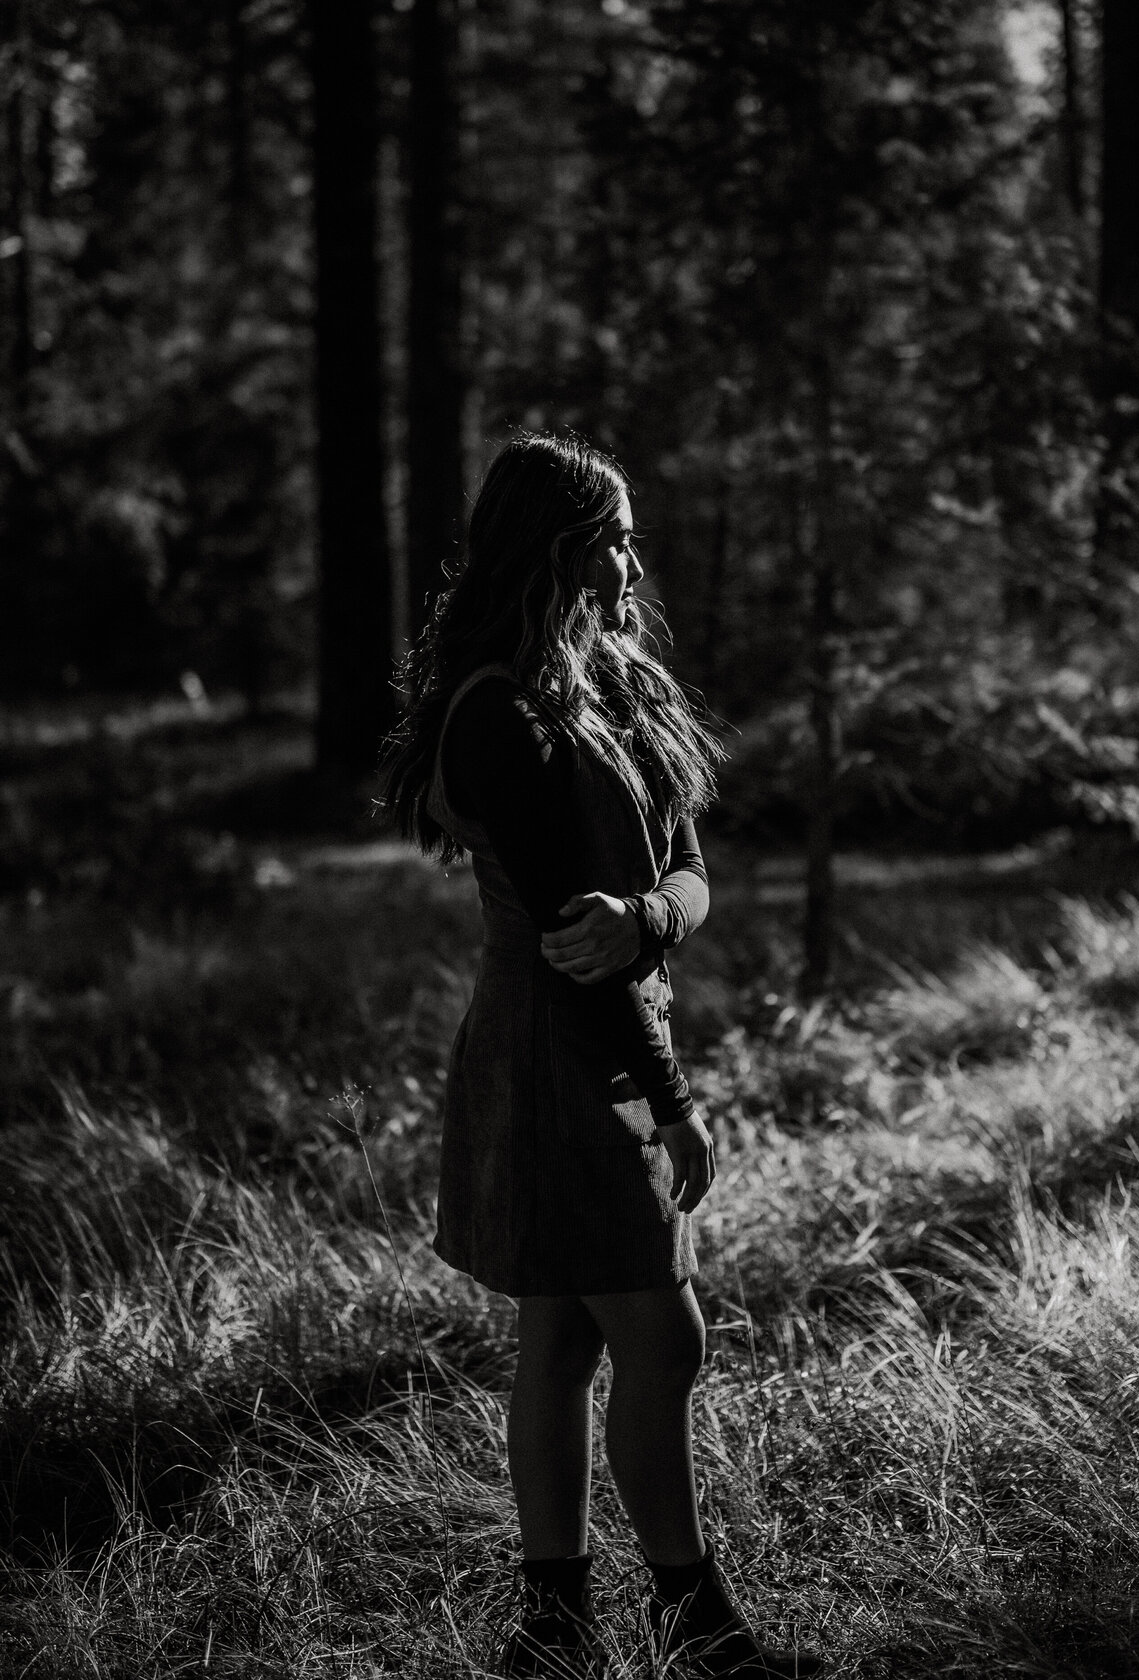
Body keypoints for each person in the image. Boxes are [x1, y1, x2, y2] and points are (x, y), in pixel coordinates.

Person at [381, 433, 822, 1679]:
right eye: (617, 535)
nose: (636, 557)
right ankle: (689, 1615)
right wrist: (672, 1103)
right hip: (559, 1058)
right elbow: (581, 955)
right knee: (662, 1339)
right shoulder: (501, 717)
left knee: (568, 1340)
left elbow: (684, 878)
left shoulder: (615, 688)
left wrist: (657, 916)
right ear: (563, 550)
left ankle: (554, 1624)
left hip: (604, 1034)